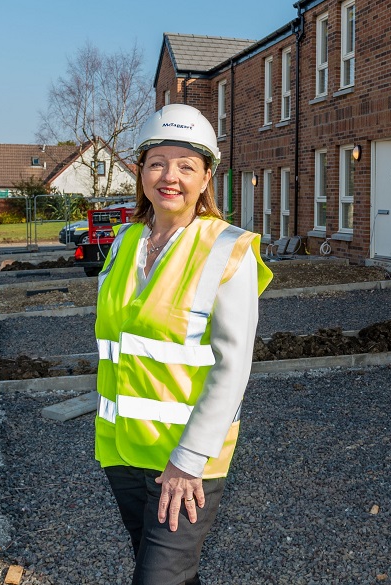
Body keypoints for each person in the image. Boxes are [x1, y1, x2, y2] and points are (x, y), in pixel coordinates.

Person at [94, 103, 271, 585]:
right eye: (157, 163)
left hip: (188, 460)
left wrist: (187, 462)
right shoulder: (124, 243)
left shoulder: (228, 249)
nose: (169, 177)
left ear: (207, 175)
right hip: (123, 451)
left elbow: (232, 368)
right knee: (165, 571)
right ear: (141, 171)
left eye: (186, 166)